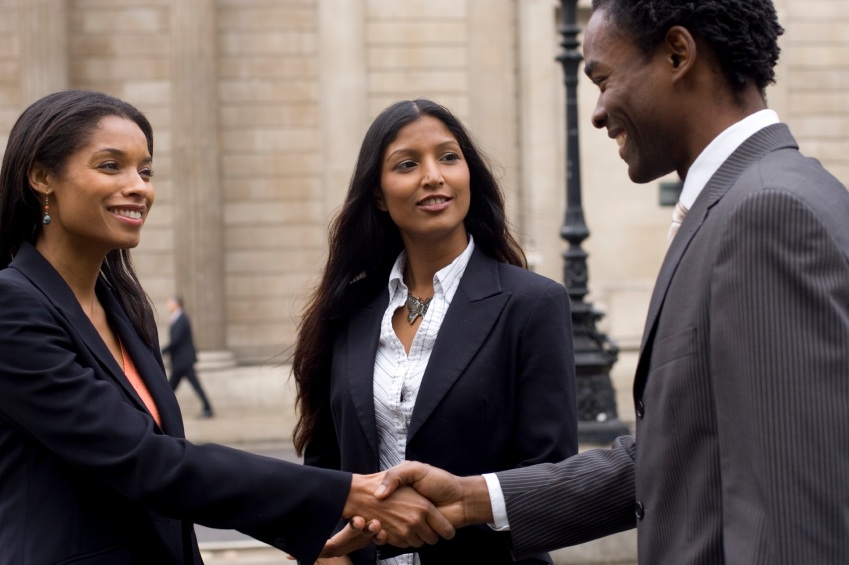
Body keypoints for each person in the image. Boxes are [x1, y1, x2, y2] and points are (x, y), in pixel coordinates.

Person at [362, 0, 849, 563]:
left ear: (677, 54)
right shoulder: (751, 202)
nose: (596, 112)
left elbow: (792, 520)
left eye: (603, 78)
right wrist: (475, 499)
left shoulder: (766, 213)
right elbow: (673, 458)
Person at [0, 89, 456, 564]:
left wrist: (320, 535)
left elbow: (167, 481)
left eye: (146, 170)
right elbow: (146, 462)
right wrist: (345, 494)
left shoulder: (123, 310)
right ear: (42, 177)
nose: (139, 187)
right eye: (111, 166)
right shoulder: (12, 306)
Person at [292, 99, 577, 564]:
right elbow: (326, 460)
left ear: (469, 175)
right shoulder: (350, 310)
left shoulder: (533, 304)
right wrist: (327, 549)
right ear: (379, 195)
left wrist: (458, 511)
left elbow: (550, 474)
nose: (433, 176)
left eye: (448, 157)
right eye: (407, 164)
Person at [162, 295, 214, 418]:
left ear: (176, 304)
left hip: (182, 361)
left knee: (170, 388)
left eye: (169, 303)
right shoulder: (178, 318)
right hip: (182, 361)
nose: (167, 306)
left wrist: (163, 350)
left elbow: (176, 340)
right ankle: (208, 408)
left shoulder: (181, 318)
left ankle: (163, 409)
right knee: (173, 387)